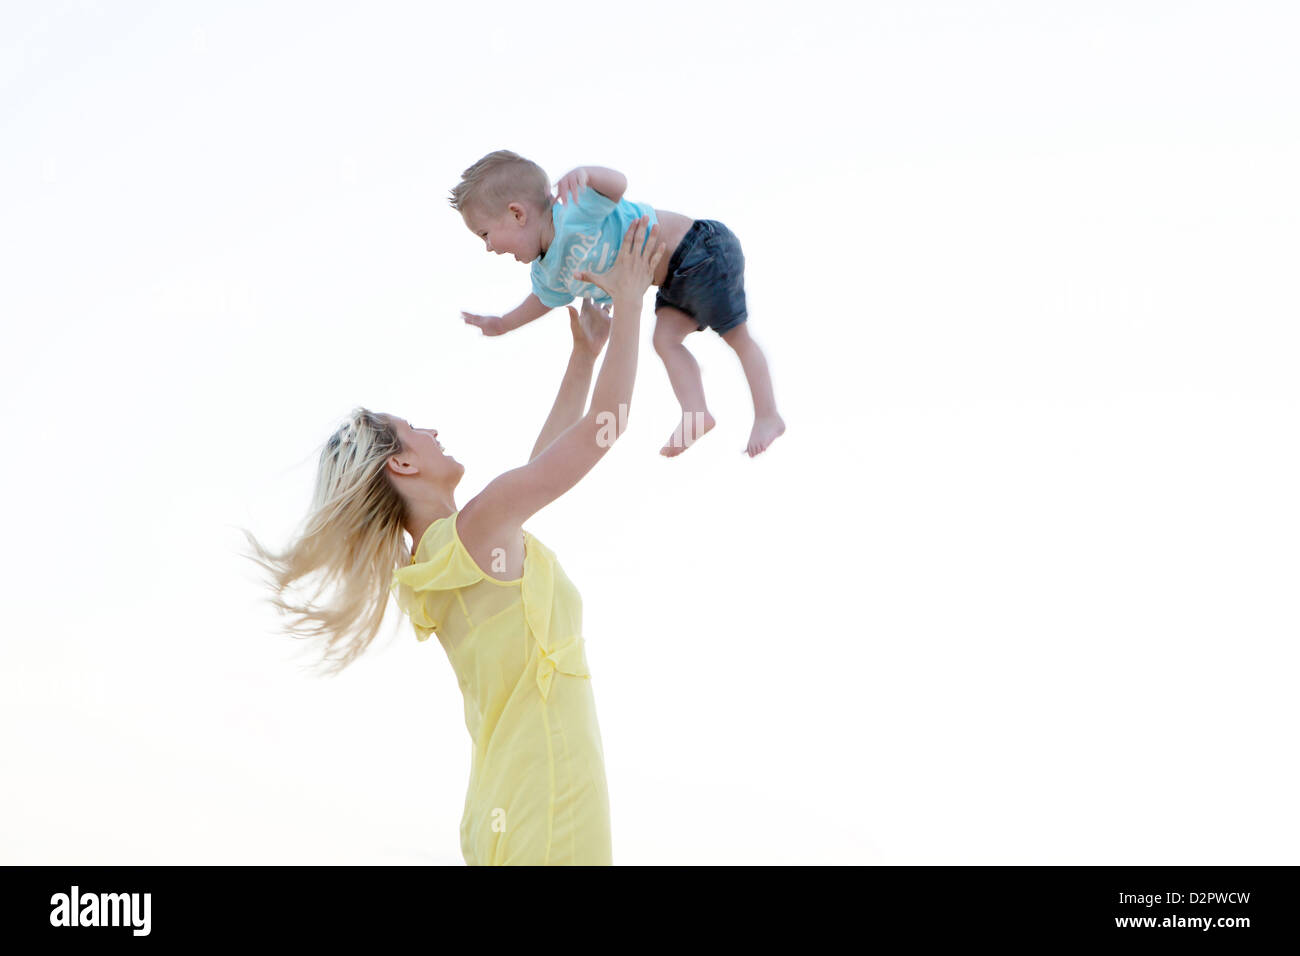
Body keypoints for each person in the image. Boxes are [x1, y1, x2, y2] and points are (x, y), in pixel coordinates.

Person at [245, 217, 666, 865]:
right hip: (542, 808)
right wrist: (633, 302)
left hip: (515, 809)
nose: (432, 431)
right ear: (403, 466)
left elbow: (538, 468)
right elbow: (599, 434)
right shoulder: (473, 534)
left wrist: (585, 356)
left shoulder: (450, 554)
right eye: (415, 430)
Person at [451, 149, 785, 458]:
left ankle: (768, 414)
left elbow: (617, 186)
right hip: (670, 282)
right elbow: (541, 301)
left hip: (701, 248)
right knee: (664, 341)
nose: (489, 248)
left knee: (737, 336)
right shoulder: (547, 272)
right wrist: (503, 323)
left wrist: (587, 174)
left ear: (516, 213)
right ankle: (697, 413)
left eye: (485, 234)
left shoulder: (571, 211)